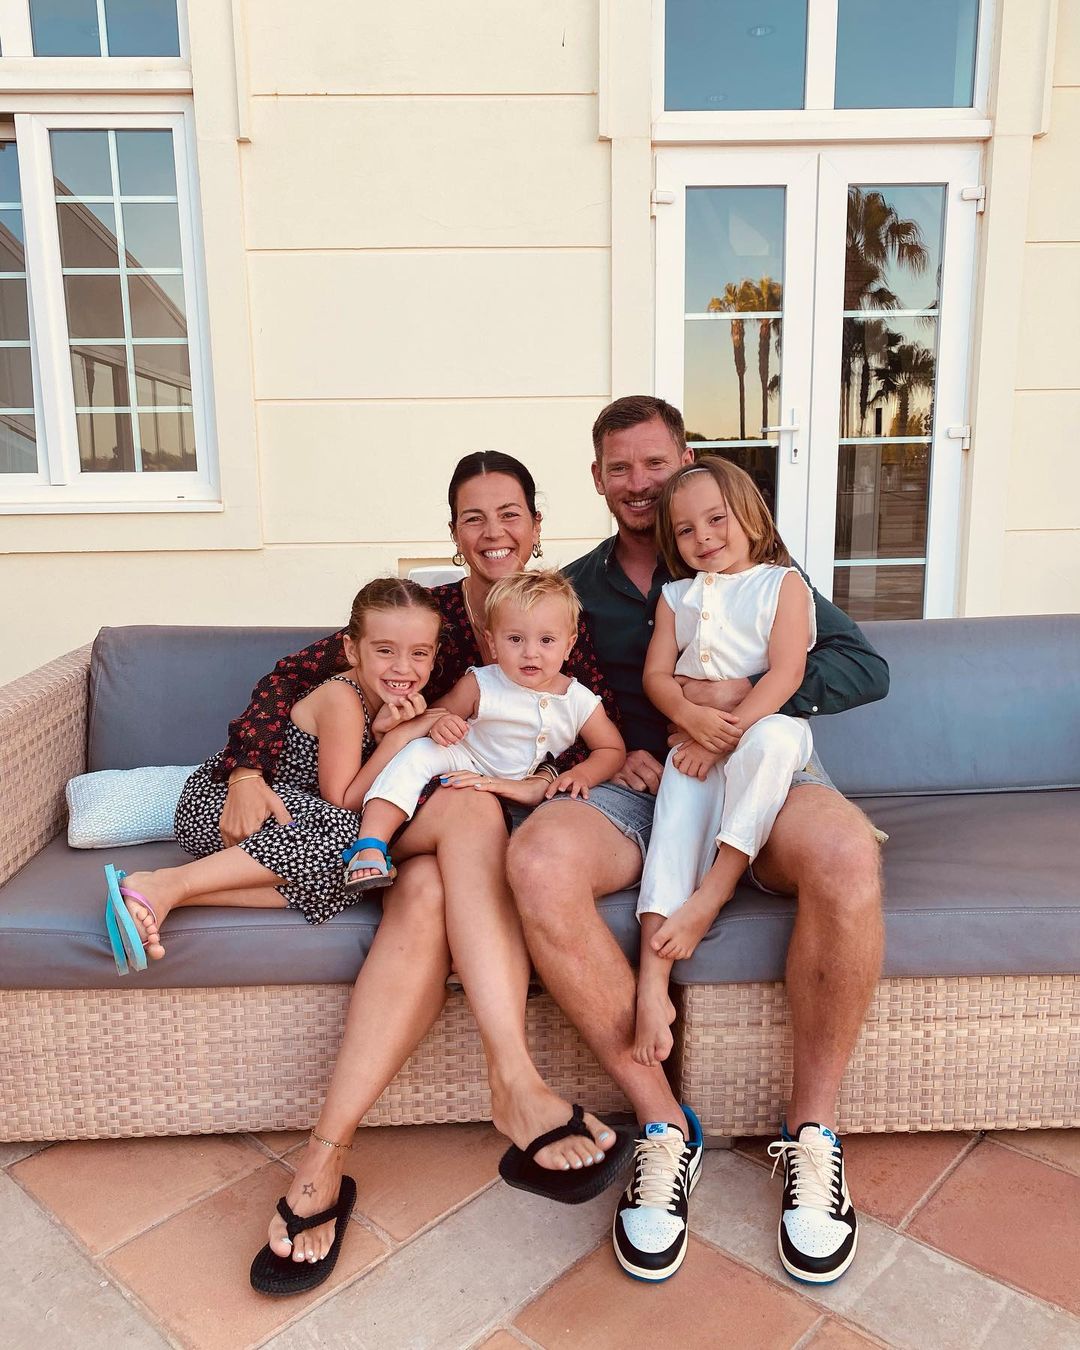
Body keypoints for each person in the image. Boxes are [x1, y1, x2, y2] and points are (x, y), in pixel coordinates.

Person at [191, 452, 625, 1289]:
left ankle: (324, 1158)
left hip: (480, 816)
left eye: (510, 514)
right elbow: (291, 682)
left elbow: (590, 721)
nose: (493, 532)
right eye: (473, 517)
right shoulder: (428, 614)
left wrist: (613, 762)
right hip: (414, 808)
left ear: (537, 525)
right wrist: (246, 769)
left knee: (429, 886)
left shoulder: (557, 612)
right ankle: (515, 1085)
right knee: (457, 825)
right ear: (454, 532)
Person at [505, 395, 888, 1286]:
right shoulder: (578, 587)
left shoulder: (765, 570)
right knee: (537, 860)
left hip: (760, 764)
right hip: (639, 786)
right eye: (620, 467)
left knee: (846, 854)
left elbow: (860, 667)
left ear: (687, 461)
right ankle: (664, 1128)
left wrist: (732, 701)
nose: (639, 482)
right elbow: (542, 690)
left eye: (655, 462)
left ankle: (813, 1137)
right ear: (597, 479)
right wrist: (610, 752)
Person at [104, 578, 445, 960]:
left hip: (289, 828)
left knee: (363, 873)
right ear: (352, 649)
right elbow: (342, 800)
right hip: (222, 804)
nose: (403, 667)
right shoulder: (342, 697)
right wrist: (398, 740)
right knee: (353, 837)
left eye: (419, 653)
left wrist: (384, 736)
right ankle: (173, 883)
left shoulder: (384, 702)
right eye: (384, 650)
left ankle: (164, 892)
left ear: (434, 656)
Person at [633, 457, 815, 1068]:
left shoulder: (782, 584)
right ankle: (652, 985)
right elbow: (657, 677)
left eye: (717, 519)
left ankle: (714, 892)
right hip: (694, 737)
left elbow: (787, 674)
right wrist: (691, 722)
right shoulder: (675, 597)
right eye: (685, 530)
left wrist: (722, 739)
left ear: (750, 517)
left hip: (762, 729)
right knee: (675, 821)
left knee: (775, 741)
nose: (704, 537)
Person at [344, 569, 625, 890]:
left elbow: (611, 749)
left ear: (569, 645)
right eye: (515, 639)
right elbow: (438, 715)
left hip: (522, 788)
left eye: (546, 640)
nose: (530, 652)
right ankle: (371, 844)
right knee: (418, 753)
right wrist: (441, 725)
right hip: (465, 759)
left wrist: (583, 774)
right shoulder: (481, 683)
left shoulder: (578, 700)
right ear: (492, 642)